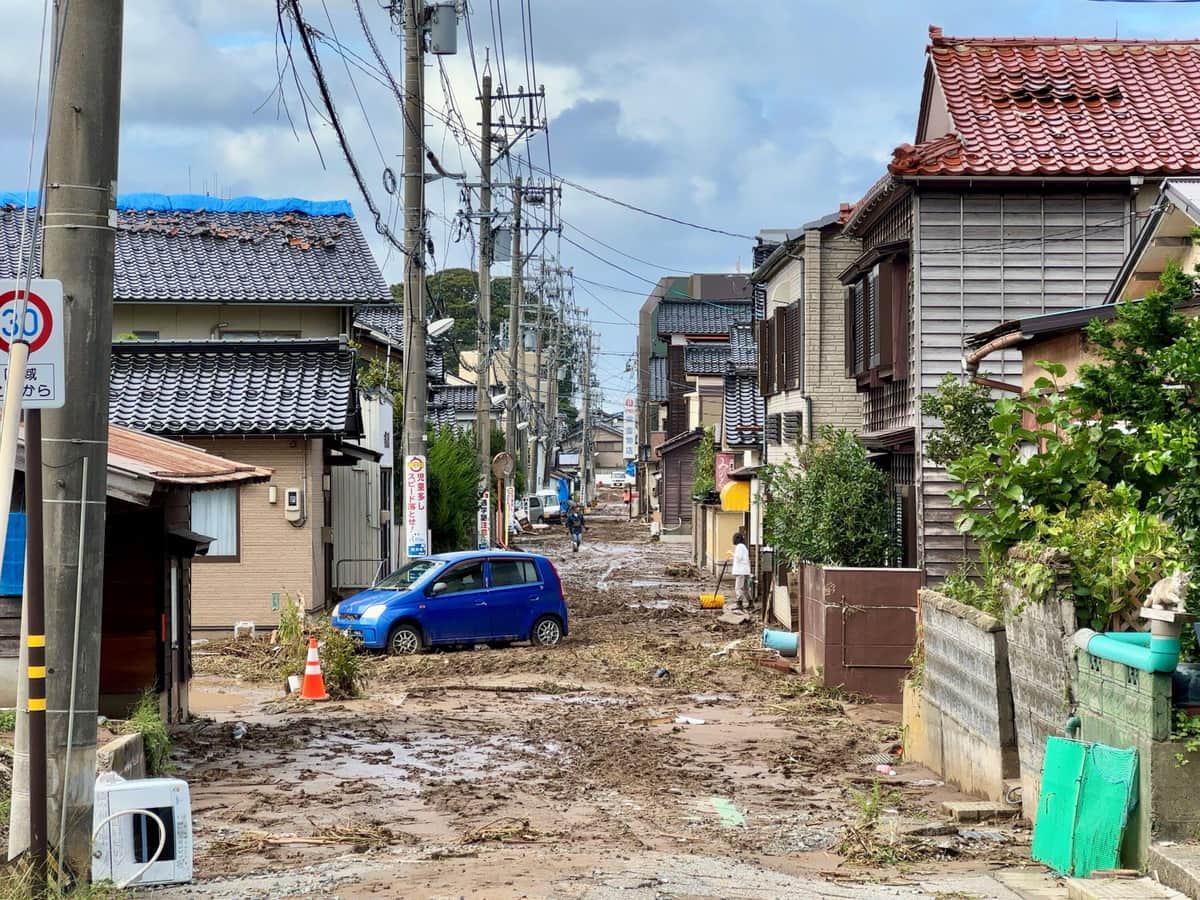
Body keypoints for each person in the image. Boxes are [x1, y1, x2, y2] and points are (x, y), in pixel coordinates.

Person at [722, 533, 752, 622]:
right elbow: (741, 558)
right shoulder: (743, 547)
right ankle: (751, 603)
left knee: (738, 588)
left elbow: (738, 558)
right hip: (745, 570)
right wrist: (731, 558)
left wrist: (730, 553)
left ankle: (740, 604)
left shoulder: (739, 547)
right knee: (745, 588)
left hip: (740, 571)